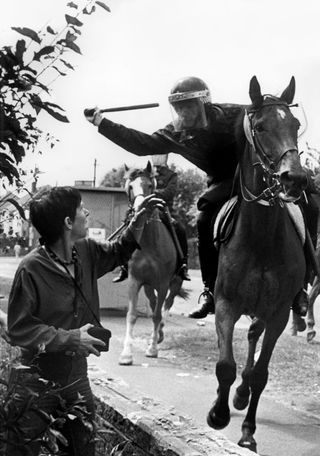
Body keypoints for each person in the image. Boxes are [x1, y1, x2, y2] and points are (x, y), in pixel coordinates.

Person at [85, 76, 310, 319]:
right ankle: (210, 291)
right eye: (179, 107)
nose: (184, 112)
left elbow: (268, 115)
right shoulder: (175, 134)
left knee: (306, 205)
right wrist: (101, 122)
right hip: (222, 185)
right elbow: (140, 144)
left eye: (189, 105)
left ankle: (300, 288)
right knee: (203, 219)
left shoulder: (234, 113)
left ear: (203, 102)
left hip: (255, 176)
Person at [6, 186, 165, 456]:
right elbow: (19, 329)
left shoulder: (86, 251)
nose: (87, 212)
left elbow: (120, 251)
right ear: (68, 223)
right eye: (81, 208)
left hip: (76, 376)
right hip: (35, 380)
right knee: (21, 451)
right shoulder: (31, 268)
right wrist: (71, 338)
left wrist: (138, 220)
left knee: (84, 449)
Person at [113, 153, 190, 282]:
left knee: (180, 229)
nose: (158, 157)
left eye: (161, 155)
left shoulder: (172, 175)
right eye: (155, 154)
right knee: (125, 225)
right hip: (141, 207)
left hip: (164, 208)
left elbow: (170, 192)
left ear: (166, 157)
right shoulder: (144, 172)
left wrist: (151, 194)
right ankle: (124, 266)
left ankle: (182, 265)